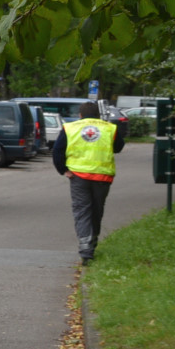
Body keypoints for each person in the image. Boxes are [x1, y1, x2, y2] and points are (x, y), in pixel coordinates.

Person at [55, 100, 124, 264]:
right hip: (102, 176)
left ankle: (86, 247)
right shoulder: (109, 128)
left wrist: (63, 169)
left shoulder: (70, 128)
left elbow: (58, 150)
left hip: (78, 176)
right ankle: (92, 242)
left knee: (82, 210)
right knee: (96, 209)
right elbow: (118, 147)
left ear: (80, 115)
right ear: (98, 115)